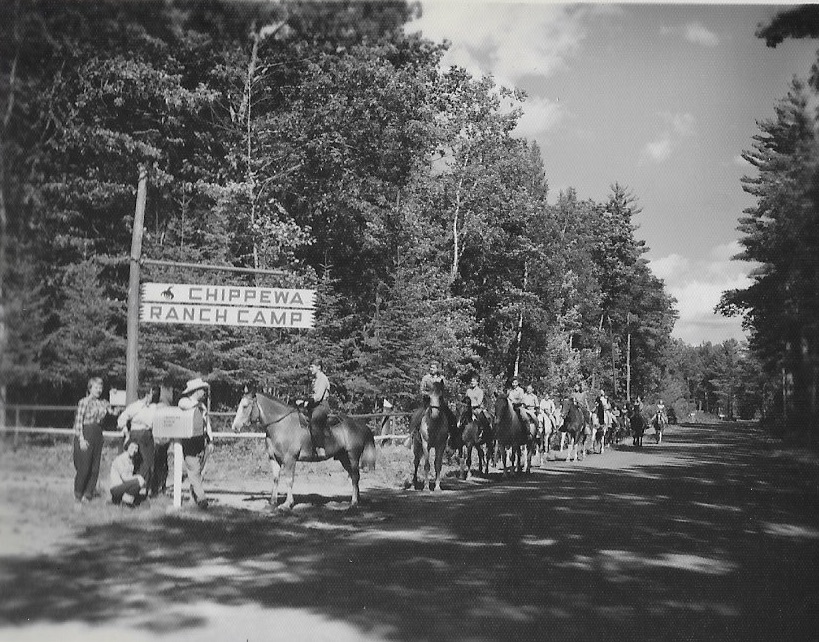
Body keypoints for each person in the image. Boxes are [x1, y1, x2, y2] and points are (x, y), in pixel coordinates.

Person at [72, 376, 121, 504]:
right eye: (96, 387)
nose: (99, 390)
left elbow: (114, 412)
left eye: (100, 387)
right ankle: (78, 494)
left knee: (95, 467)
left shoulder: (103, 403)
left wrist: (116, 397)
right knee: (85, 466)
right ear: (90, 388)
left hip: (98, 433)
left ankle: (88, 495)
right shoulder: (84, 402)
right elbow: (78, 422)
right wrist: (81, 439)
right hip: (86, 432)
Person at [116, 384, 162, 493]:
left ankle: (145, 489)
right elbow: (121, 419)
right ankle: (136, 489)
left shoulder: (152, 407)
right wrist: (126, 434)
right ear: (147, 394)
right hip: (137, 435)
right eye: (151, 393)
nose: (152, 395)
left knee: (149, 463)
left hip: (148, 435)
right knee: (140, 462)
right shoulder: (134, 407)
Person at [178, 377, 212, 509]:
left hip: (201, 441)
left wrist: (210, 440)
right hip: (190, 441)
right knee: (194, 470)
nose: (203, 392)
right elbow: (184, 404)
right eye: (201, 390)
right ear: (195, 391)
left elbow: (206, 424)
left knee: (199, 472)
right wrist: (196, 404)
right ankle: (202, 501)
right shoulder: (185, 402)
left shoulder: (202, 406)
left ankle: (195, 498)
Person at [109, 438, 146, 506]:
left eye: (136, 448)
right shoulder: (121, 459)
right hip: (116, 488)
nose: (134, 450)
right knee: (138, 482)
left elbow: (129, 477)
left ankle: (124, 502)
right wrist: (138, 477)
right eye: (132, 447)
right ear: (127, 447)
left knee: (138, 483)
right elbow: (125, 478)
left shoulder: (131, 461)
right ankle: (124, 502)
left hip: (124, 486)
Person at [307, 360, 331, 458]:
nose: (310, 369)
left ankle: (321, 447)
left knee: (314, 421)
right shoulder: (315, 379)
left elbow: (317, 397)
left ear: (319, 367)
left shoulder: (322, 379)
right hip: (315, 405)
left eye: (312, 367)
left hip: (322, 405)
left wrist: (306, 402)